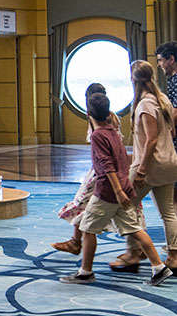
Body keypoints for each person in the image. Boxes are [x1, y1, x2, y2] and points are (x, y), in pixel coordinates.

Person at [60, 93, 171, 285]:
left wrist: (118, 191)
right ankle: (159, 267)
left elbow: (106, 165)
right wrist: (123, 190)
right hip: (124, 188)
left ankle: (85, 272)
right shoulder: (113, 131)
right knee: (134, 229)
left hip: (107, 192)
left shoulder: (97, 135)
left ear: (88, 114)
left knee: (87, 228)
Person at [109, 60, 177, 272]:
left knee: (123, 206)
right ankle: (174, 256)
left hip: (150, 165)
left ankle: (134, 253)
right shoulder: (162, 98)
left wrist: (141, 171)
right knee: (169, 212)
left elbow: (151, 139)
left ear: (134, 80)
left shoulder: (146, 104)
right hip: (169, 161)